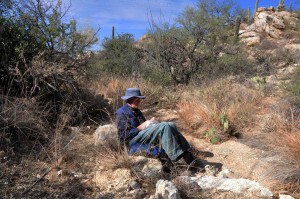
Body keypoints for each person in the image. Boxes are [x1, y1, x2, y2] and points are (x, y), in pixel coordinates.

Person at [116, 87, 204, 171]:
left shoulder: (137, 111)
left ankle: (186, 152)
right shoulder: (121, 113)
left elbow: (145, 128)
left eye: (139, 100)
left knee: (171, 124)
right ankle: (176, 156)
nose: (139, 102)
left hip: (141, 136)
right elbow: (123, 136)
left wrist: (151, 124)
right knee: (164, 126)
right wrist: (141, 127)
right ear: (130, 99)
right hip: (131, 141)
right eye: (137, 100)